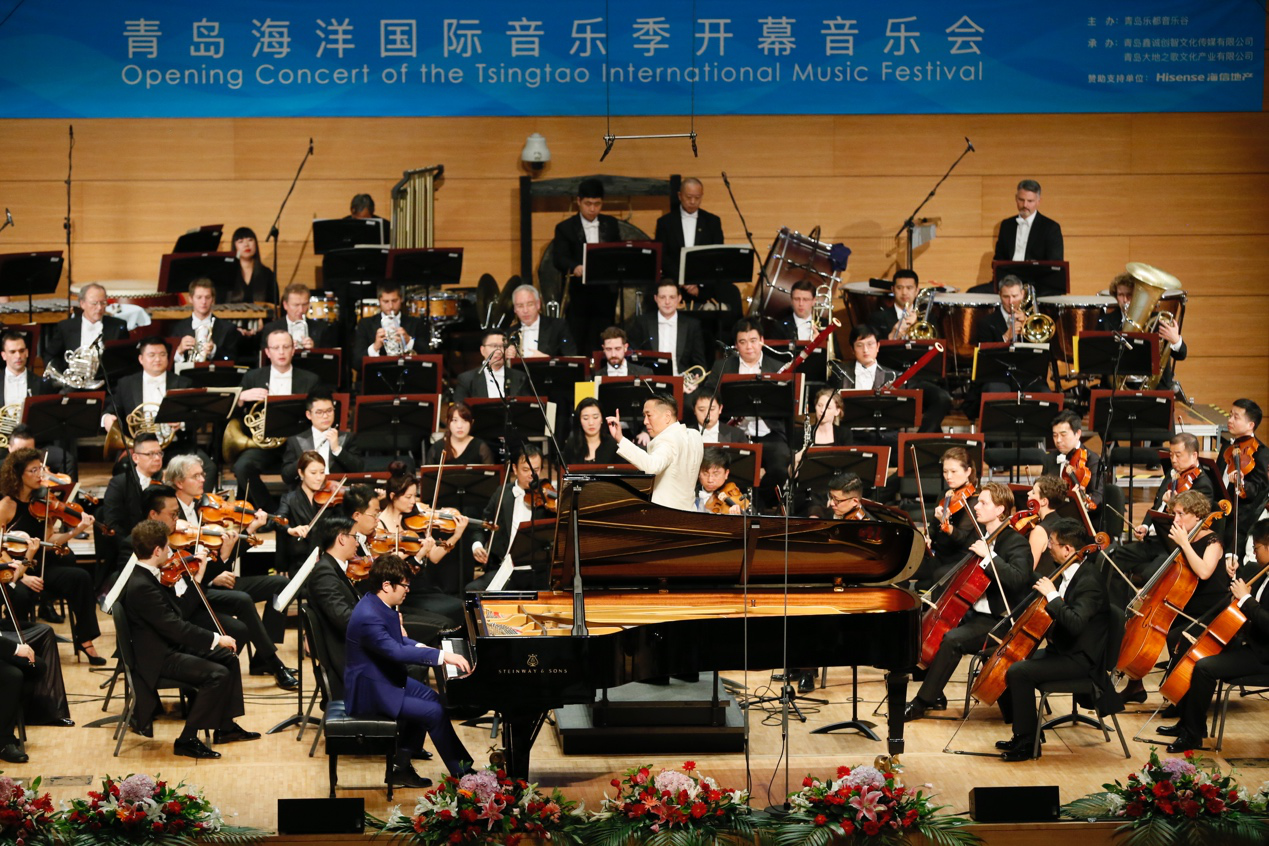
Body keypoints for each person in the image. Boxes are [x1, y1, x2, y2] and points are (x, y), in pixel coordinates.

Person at [122, 519, 258, 757]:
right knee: (217, 674)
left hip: (167, 645)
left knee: (229, 657)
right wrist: (216, 638)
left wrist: (197, 579)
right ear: (157, 550)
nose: (171, 552)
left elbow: (179, 613)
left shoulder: (150, 575)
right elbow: (176, 628)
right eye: (167, 547)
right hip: (158, 658)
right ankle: (187, 739)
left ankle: (225, 727)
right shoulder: (142, 585)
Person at [163, 454, 297, 690]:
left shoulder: (203, 509)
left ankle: (261, 658)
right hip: (196, 590)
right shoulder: (172, 517)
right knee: (243, 600)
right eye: (196, 476)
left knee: (280, 584)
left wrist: (250, 530)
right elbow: (186, 568)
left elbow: (222, 554)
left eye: (202, 474)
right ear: (179, 482)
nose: (203, 479)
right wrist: (219, 566)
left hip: (214, 579)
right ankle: (275, 663)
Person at [906, 482, 1033, 721]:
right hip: (974, 612)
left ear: (1000, 510)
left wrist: (989, 557)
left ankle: (922, 703)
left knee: (953, 640)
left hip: (1000, 620)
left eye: (984, 503)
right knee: (929, 629)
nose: (976, 506)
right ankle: (935, 693)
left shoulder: (1015, 542)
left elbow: (1018, 579)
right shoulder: (982, 536)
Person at [344, 554, 474, 787]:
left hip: (384, 678)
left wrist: (426, 648)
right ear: (387, 585)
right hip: (371, 690)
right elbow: (395, 651)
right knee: (433, 712)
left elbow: (398, 641)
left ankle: (401, 767)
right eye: (404, 585)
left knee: (432, 698)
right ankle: (463, 773)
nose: (408, 590)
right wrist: (442, 657)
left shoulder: (378, 603)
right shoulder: (369, 616)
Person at [996, 518, 1109, 761]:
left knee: (1019, 671)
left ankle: (1028, 743)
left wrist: (1053, 596)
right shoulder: (1066, 572)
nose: (1048, 546)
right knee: (1009, 659)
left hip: (1080, 659)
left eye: (1052, 542)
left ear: (1068, 549)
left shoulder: (1090, 582)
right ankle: (1026, 732)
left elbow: (1075, 624)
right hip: (1062, 650)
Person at [1156, 520, 1269, 752]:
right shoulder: (1261, 571)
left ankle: (1193, 734)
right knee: (1190, 645)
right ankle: (1186, 722)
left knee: (1204, 667)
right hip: (1249, 641)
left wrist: (1246, 600)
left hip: (1262, 654)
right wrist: (1235, 583)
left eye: (1256, 547)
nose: (1254, 552)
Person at [0, 448, 102, 664]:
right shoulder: (6, 506)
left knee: (81, 578)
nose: (40, 474)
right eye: (33, 470)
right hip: (14, 570)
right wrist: (22, 575)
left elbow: (49, 541)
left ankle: (85, 640)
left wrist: (76, 530)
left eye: (41, 468)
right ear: (18, 474)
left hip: (41, 565)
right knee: (20, 595)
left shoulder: (44, 501)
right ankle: (22, 647)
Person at [705, 317, 791, 508]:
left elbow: (787, 404)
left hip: (769, 432)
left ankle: (760, 505)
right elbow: (709, 395)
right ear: (736, 345)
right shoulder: (722, 366)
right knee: (725, 469)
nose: (749, 347)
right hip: (733, 431)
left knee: (780, 469)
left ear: (762, 340)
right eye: (742, 342)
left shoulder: (777, 367)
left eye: (753, 340)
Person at [231, 328, 320, 511]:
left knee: (308, 466)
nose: (281, 352)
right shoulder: (253, 377)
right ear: (267, 352)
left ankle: (301, 511)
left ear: (293, 350)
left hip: (297, 443)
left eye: (286, 347)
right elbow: (233, 413)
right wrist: (241, 397)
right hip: (263, 444)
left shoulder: (310, 380)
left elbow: (318, 412)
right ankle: (270, 512)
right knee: (242, 467)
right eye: (276, 347)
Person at [375, 468, 466, 626]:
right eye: (408, 497)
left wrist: (456, 536)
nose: (413, 501)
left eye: (414, 495)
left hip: (423, 585)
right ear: (393, 496)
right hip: (402, 590)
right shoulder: (380, 525)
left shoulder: (414, 519)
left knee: (461, 606)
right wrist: (418, 551)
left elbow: (434, 557)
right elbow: (386, 566)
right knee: (450, 611)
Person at [467, 445, 555, 592]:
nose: (531, 475)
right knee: (472, 590)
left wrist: (559, 509)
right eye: (525, 470)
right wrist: (477, 546)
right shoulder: (502, 493)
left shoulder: (546, 498)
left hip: (537, 572)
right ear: (514, 469)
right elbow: (482, 526)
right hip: (505, 569)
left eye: (536, 470)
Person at [102, 337, 200, 464]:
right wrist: (107, 418)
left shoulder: (184, 383)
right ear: (141, 359)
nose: (158, 359)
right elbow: (110, 410)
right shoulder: (126, 384)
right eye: (152, 355)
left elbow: (198, 417)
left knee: (209, 468)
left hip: (176, 447)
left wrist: (181, 424)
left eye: (162, 354)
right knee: (124, 467)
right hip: (138, 448)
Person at [552, 178, 621, 351]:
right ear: (578, 201)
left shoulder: (611, 224)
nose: (592, 209)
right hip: (578, 295)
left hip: (605, 294)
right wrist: (575, 266)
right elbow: (559, 257)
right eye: (588, 204)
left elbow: (616, 251)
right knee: (578, 339)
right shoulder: (565, 227)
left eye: (597, 204)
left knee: (605, 338)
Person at [653, 178, 739, 311]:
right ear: (679, 196)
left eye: (697, 198)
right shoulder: (665, 222)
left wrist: (698, 283)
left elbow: (716, 255)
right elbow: (663, 257)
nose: (693, 202)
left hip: (706, 284)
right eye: (689, 197)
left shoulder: (712, 221)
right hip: (675, 284)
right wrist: (684, 282)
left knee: (731, 293)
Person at [608, 394, 703, 511]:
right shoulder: (695, 435)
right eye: (644, 416)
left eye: (649, 415)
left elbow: (652, 466)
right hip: (690, 512)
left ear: (667, 416)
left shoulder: (667, 439)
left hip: (666, 514)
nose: (645, 421)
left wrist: (621, 439)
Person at [42, 283, 128, 379]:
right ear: (82, 304)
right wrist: (60, 378)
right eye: (94, 303)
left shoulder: (118, 326)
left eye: (103, 303)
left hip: (108, 382)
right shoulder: (66, 327)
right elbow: (50, 355)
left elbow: (125, 360)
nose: (99, 307)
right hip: (73, 382)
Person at [624, 281, 707, 376]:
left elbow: (699, 363)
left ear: (679, 298)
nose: (667, 302)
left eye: (672, 297)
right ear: (656, 298)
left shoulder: (692, 325)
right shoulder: (642, 323)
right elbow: (633, 358)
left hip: (682, 381)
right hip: (651, 380)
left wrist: (696, 378)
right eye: (662, 297)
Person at [280, 394, 363, 488]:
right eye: (319, 412)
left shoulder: (347, 437)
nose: (325, 416)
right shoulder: (295, 440)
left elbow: (358, 469)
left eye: (329, 411)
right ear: (309, 415)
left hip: (338, 491)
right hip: (307, 493)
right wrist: (302, 460)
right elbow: (286, 477)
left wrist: (337, 449)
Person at [927, 447, 980, 583]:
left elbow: (961, 538)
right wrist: (928, 537)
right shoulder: (944, 494)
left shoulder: (974, 500)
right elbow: (933, 527)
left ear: (968, 471)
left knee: (936, 576)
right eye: (945, 472)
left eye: (953, 471)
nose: (948, 477)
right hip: (939, 554)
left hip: (960, 558)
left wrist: (946, 525)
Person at [1223, 399, 1268, 558]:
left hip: (1239, 521)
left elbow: (1257, 490)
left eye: (1236, 417)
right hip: (1220, 512)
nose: (1230, 420)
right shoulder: (1227, 447)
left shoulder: (1261, 453)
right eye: (1230, 415)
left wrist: (1242, 483)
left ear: (1251, 425)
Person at [1041, 409, 1105, 513]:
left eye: (1063, 435)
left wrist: (1082, 500)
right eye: (1055, 435)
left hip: (1080, 515)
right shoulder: (1050, 458)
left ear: (1078, 434)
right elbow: (1043, 490)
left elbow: (1097, 496)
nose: (1058, 440)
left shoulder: (1092, 459)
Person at [352, 282, 425, 372]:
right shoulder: (365, 324)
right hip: (375, 375)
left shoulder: (416, 323)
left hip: (408, 374)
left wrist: (409, 341)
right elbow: (356, 364)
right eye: (386, 301)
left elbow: (429, 357)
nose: (390, 306)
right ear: (379, 301)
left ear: (401, 299)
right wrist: (375, 346)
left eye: (394, 301)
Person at [273, 450, 327, 572]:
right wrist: (290, 530)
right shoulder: (289, 499)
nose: (319, 478)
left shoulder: (331, 499)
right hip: (299, 564)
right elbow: (278, 520)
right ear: (301, 473)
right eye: (313, 473)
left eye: (322, 472)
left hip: (325, 562)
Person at [171, 278, 241, 369]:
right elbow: (169, 365)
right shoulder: (178, 328)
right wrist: (179, 350)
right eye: (199, 297)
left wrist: (214, 350)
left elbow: (234, 360)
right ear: (191, 299)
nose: (203, 302)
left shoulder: (228, 328)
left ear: (213, 299)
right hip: (186, 376)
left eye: (207, 297)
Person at [993, 179, 1063, 262]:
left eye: (1030, 201)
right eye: (1021, 200)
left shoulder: (1051, 228)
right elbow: (999, 258)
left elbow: (1055, 263)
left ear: (1038, 201)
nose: (1025, 205)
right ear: (1016, 198)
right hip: (1008, 270)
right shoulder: (1006, 225)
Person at [452, 329, 529, 402]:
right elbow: (459, 406)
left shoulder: (520, 377)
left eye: (503, 346)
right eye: (494, 346)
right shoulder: (467, 379)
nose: (499, 351)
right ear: (482, 350)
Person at [769, 280, 839, 354]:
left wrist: (821, 344)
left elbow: (837, 356)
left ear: (814, 301)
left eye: (805, 299)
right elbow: (773, 356)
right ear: (791, 300)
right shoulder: (779, 327)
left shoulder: (826, 325)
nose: (801, 304)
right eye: (797, 299)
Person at [259, 283, 336, 350]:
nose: (301, 310)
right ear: (285, 305)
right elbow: (265, 358)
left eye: (305, 304)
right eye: (296, 305)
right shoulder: (271, 329)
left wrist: (314, 350)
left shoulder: (321, 329)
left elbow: (328, 358)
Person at [508, 284, 576, 358]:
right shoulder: (510, 333)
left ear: (538, 304)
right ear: (515, 309)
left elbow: (571, 357)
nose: (525, 310)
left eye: (530, 304)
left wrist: (548, 360)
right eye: (520, 306)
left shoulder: (558, 327)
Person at [424, 402, 495, 465]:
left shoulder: (481, 447)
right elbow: (427, 474)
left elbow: (490, 474)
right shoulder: (437, 448)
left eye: (465, 420)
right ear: (448, 422)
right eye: (455, 420)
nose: (460, 426)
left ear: (472, 422)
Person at [1026, 475, 1068, 579]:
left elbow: (1027, 571)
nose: (1028, 493)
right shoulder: (1062, 522)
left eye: (1033, 492)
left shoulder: (1039, 531)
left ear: (1044, 501)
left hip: (1040, 585)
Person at [834, 324, 897, 391]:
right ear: (852, 349)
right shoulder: (839, 371)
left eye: (870, 344)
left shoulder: (891, 376)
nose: (865, 350)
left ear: (878, 346)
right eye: (859, 345)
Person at [228, 226, 278, 305]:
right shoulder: (227, 274)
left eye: (250, 240)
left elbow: (274, 305)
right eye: (240, 241)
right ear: (235, 247)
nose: (246, 244)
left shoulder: (267, 274)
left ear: (256, 244)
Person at [563, 397, 619, 464]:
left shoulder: (612, 444)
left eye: (595, 417)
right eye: (585, 418)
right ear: (579, 421)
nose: (591, 423)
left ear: (602, 419)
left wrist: (620, 439)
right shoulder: (572, 444)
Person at [871, 270, 922, 341]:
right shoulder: (878, 318)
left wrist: (917, 324)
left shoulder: (928, 318)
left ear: (917, 291)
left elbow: (935, 344)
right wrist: (891, 336)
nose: (904, 293)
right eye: (899, 288)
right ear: (893, 290)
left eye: (909, 288)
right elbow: (873, 345)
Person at [695, 447, 744, 515]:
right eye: (705, 473)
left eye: (716, 474)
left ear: (726, 474)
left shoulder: (736, 497)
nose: (710, 480)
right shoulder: (690, 493)